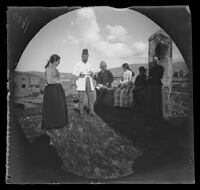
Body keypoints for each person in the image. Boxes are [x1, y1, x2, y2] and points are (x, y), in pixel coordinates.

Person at [41, 54, 68, 130]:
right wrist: (58, 81)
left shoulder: (54, 68)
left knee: (57, 107)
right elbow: (49, 81)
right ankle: (51, 124)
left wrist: (58, 81)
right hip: (51, 90)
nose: (59, 64)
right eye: (58, 62)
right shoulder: (49, 68)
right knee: (52, 107)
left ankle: (58, 123)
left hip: (56, 89)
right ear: (54, 61)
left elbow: (55, 78)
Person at [73, 49, 95, 117]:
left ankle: (91, 111)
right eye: (84, 57)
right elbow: (74, 72)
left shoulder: (90, 64)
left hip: (88, 80)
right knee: (81, 98)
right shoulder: (77, 64)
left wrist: (92, 73)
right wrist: (79, 74)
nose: (86, 58)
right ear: (81, 56)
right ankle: (81, 112)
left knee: (90, 98)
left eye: (87, 57)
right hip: (81, 81)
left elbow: (93, 73)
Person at [142, 56, 164, 121]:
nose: (155, 61)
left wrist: (151, 78)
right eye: (154, 60)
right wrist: (147, 78)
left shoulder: (161, 68)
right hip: (151, 85)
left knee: (157, 101)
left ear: (158, 60)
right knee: (151, 100)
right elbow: (149, 75)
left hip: (157, 85)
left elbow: (160, 76)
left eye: (156, 60)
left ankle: (158, 116)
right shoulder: (152, 68)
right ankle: (151, 115)